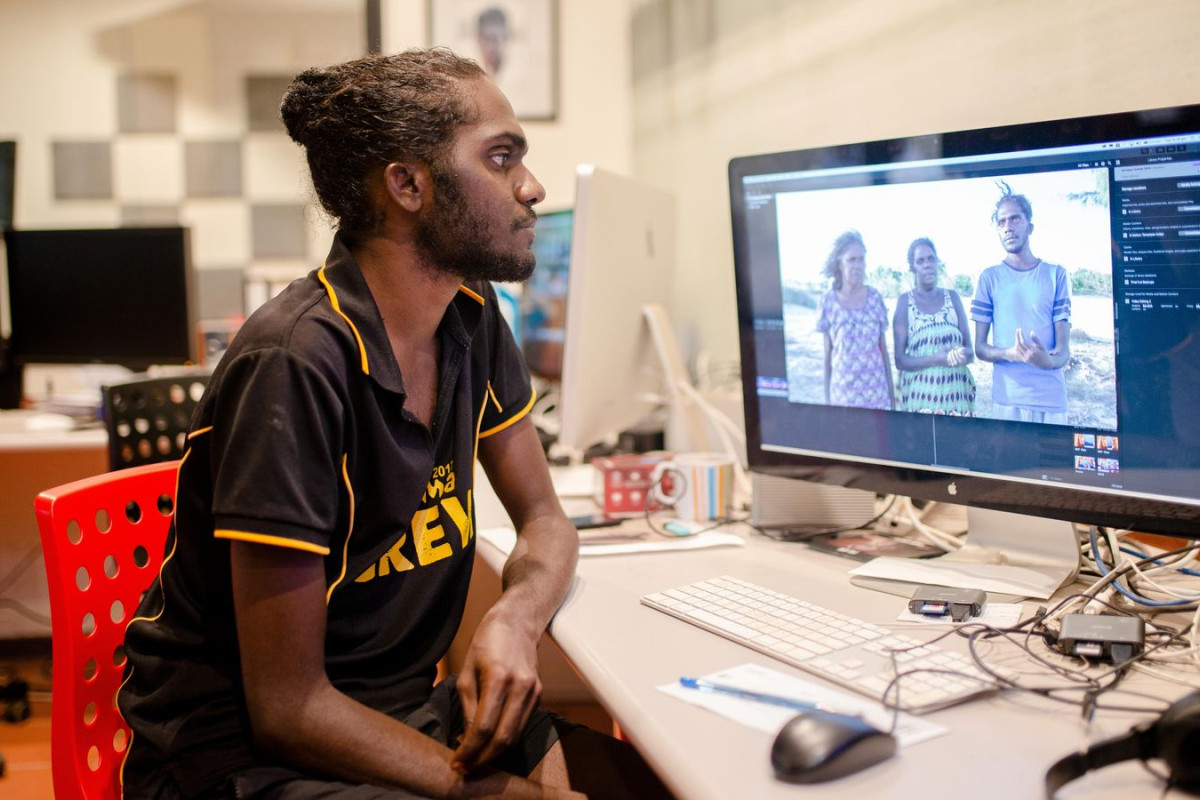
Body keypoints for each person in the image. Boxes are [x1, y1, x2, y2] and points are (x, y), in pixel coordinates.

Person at [118, 49, 671, 800]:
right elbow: (288, 707)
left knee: (649, 783)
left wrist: (514, 616)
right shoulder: (295, 363)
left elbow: (545, 519)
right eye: (501, 158)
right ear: (407, 184)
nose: (532, 187)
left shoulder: (469, 317)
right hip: (241, 756)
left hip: (399, 713)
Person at [970, 182, 1072, 424]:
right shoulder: (988, 278)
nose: (1008, 228)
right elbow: (980, 348)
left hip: (1052, 403)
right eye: (1002, 222)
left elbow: (1063, 351)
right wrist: (1013, 354)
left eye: (1015, 219)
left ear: (1030, 227)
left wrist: (1048, 361)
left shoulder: (1056, 275)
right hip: (1007, 402)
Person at [891, 237, 976, 415]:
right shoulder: (905, 302)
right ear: (912, 268)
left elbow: (970, 352)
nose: (927, 264)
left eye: (931, 259)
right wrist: (938, 359)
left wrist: (960, 355)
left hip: (956, 400)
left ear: (937, 263)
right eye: (920, 261)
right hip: (920, 402)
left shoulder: (952, 298)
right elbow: (900, 360)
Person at [816, 230, 894, 410]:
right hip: (843, 400)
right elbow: (827, 358)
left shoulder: (875, 298)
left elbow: (883, 352)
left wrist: (892, 400)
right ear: (839, 264)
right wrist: (828, 404)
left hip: (878, 400)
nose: (858, 265)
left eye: (861, 259)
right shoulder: (828, 303)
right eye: (852, 260)